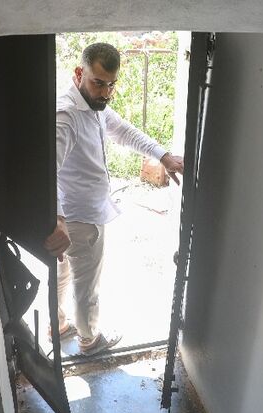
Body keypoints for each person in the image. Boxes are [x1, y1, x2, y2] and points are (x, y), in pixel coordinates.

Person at [42, 42, 184, 356]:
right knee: (86, 286)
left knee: (62, 274)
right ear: (80, 73)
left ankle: (58, 324)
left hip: (77, 216)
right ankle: (90, 340)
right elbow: (45, 169)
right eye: (98, 83)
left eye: (110, 85)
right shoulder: (67, 115)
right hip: (80, 219)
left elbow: (122, 130)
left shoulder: (93, 105)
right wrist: (58, 219)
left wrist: (162, 155)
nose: (105, 92)